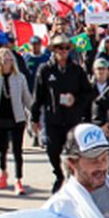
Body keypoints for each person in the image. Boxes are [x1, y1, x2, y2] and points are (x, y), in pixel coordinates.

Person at [31, 34, 94, 193]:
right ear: (54, 50)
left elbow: (88, 93)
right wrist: (34, 117)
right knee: (53, 151)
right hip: (53, 119)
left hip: (72, 119)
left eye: (66, 48)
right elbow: (38, 95)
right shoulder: (45, 70)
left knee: (72, 152)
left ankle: (71, 180)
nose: (63, 51)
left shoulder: (77, 70)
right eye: (60, 48)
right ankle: (59, 175)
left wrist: (76, 100)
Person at [0, 48, 33, 195]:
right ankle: (3, 172)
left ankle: (18, 180)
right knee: (2, 149)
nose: (8, 63)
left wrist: (34, 114)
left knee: (18, 150)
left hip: (17, 118)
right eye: (5, 60)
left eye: (10, 60)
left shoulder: (19, 77)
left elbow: (27, 98)